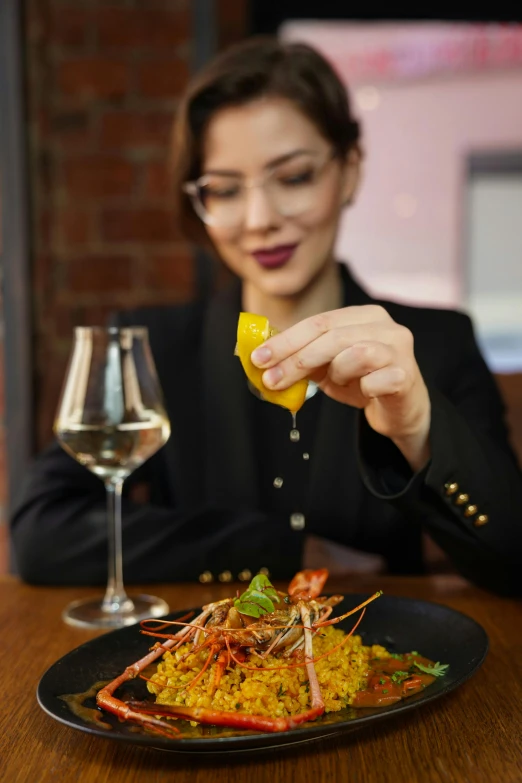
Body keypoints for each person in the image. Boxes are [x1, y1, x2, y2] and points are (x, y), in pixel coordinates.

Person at [10, 38, 522, 594]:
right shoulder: (153, 345)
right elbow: (41, 532)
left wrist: (418, 426)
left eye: (294, 177)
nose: (259, 219)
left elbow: (512, 557)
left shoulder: (438, 341)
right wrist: (279, 550)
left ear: (349, 170)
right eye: (224, 190)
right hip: (205, 669)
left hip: (386, 663)